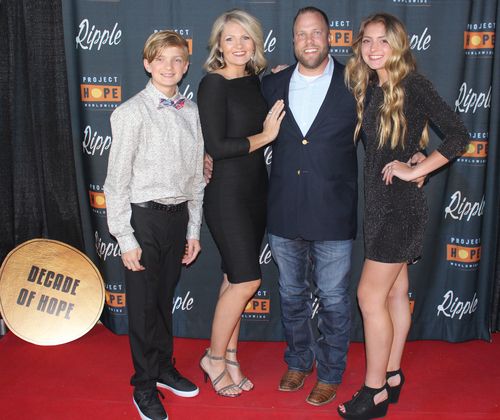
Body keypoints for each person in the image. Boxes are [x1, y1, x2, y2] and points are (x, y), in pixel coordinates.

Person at [338, 13, 469, 419]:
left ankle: (374, 391)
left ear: (398, 46)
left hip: (399, 208)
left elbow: (459, 135)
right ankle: (392, 375)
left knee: (369, 296)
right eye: (367, 41)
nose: (374, 48)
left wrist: (417, 168)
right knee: (395, 293)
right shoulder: (371, 85)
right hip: (379, 205)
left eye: (383, 41)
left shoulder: (413, 84)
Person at [260, 6, 358, 406]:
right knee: (290, 294)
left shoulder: (355, 83)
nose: (309, 41)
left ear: (330, 37)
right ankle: (299, 361)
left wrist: (415, 156)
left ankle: (331, 372)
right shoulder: (272, 83)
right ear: (293, 40)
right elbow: (238, 125)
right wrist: (208, 154)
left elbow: (388, 127)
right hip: (284, 209)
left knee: (333, 298)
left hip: (333, 211)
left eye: (316, 33)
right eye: (302, 34)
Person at [104, 30, 205, 420]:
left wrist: (193, 230)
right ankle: (144, 385)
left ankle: (163, 367)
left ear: (186, 66)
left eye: (177, 59)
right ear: (147, 63)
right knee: (145, 308)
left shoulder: (191, 111)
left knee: (163, 301)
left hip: (177, 219)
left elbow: (196, 179)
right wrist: (125, 237)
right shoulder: (130, 113)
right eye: (160, 59)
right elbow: (116, 182)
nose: (169, 66)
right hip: (142, 219)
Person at [196, 9, 285, 397]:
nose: (237, 45)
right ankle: (213, 358)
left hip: (256, 192)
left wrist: (282, 74)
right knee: (248, 279)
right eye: (229, 38)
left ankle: (230, 356)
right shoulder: (213, 84)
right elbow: (217, 146)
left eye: (245, 37)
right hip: (226, 194)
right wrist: (265, 137)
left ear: (255, 43)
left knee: (233, 278)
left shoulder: (255, 82)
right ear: (218, 44)